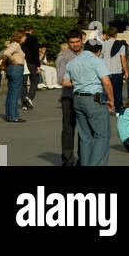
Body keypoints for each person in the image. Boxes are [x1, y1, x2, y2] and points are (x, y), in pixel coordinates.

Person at [62, 40, 115, 167]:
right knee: (102, 136)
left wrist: (81, 83)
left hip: (78, 99)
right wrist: (111, 100)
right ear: (98, 51)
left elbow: (65, 82)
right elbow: (106, 82)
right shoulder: (97, 61)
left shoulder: (73, 62)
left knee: (85, 137)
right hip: (93, 99)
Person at [55, 30, 85, 164]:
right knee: (68, 129)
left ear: (82, 40)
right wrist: (83, 81)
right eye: (72, 42)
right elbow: (61, 79)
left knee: (84, 130)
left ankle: (83, 158)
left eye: (77, 41)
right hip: (69, 97)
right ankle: (67, 159)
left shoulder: (87, 54)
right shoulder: (64, 56)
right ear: (68, 43)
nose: (75, 45)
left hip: (85, 97)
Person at [100, 25, 128, 113]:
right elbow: (123, 59)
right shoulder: (120, 45)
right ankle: (118, 109)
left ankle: (105, 108)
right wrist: (126, 71)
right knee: (118, 92)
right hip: (117, 71)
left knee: (105, 91)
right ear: (116, 34)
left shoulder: (103, 44)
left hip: (106, 72)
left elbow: (100, 57)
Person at [1, 31, 27, 122]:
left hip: (12, 69)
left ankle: (10, 115)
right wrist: (14, 60)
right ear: (20, 37)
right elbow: (7, 53)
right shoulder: (16, 45)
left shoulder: (13, 44)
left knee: (11, 93)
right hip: (16, 69)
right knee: (15, 94)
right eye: (24, 36)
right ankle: (13, 117)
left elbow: (7, 52)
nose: (25, 38)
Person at [22, 26, 41, 108]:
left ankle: (24, 104)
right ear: (31, 30)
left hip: (22, 62)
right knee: (35, 80)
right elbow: (36, 53)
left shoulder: (21, 38)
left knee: (23, 83)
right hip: (32, 63)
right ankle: (29, 97)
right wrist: (38, 65)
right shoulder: (34, 39)